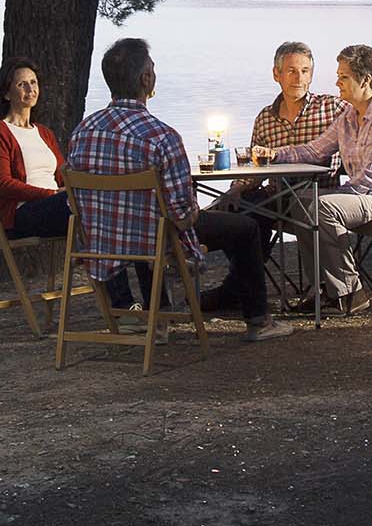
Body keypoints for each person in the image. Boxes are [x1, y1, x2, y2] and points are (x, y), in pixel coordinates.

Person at [68, 37, 290, 342]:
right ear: (146, 79)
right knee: (246, 227)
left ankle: (159, 319)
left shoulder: (82, 131)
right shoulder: (161, 137)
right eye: (153, 69)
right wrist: (201, 212)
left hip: (101, 240)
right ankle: (258, 320)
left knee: (149, 223)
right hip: (152, 240)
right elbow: (182, 213)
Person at [198, 41, 372, 313]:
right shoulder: (265, 118)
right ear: (277, 74)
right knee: (239, 207)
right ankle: (239, 284)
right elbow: (256, 167)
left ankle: (239, 289)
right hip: (277, 198)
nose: (299, 78)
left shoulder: (334, 108)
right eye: (292, 71)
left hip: (326, 198)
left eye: (306, 71)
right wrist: (235, 188)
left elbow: (370, 103)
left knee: (272, 209)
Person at [257, 43, 372, 315]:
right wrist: (272, 154)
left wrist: (329, 200)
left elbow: (368, 180)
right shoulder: (348, 117)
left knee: (321, 205)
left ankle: (351, 293)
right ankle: (324, 291)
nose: (337, 81)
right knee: (302, 201)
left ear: (365, 80)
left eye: (344, 77)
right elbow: (315, 150)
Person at [0, 57, 69, 239]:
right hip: (22, 213)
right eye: (22, 84)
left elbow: (63, 176)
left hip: (56, 205)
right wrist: (50, 194)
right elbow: (4, 185)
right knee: (83, 206)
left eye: (33, 82)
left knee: (96, 201)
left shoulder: (44, 133)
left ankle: (106, 264)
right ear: (7, 94)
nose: (31, 90)